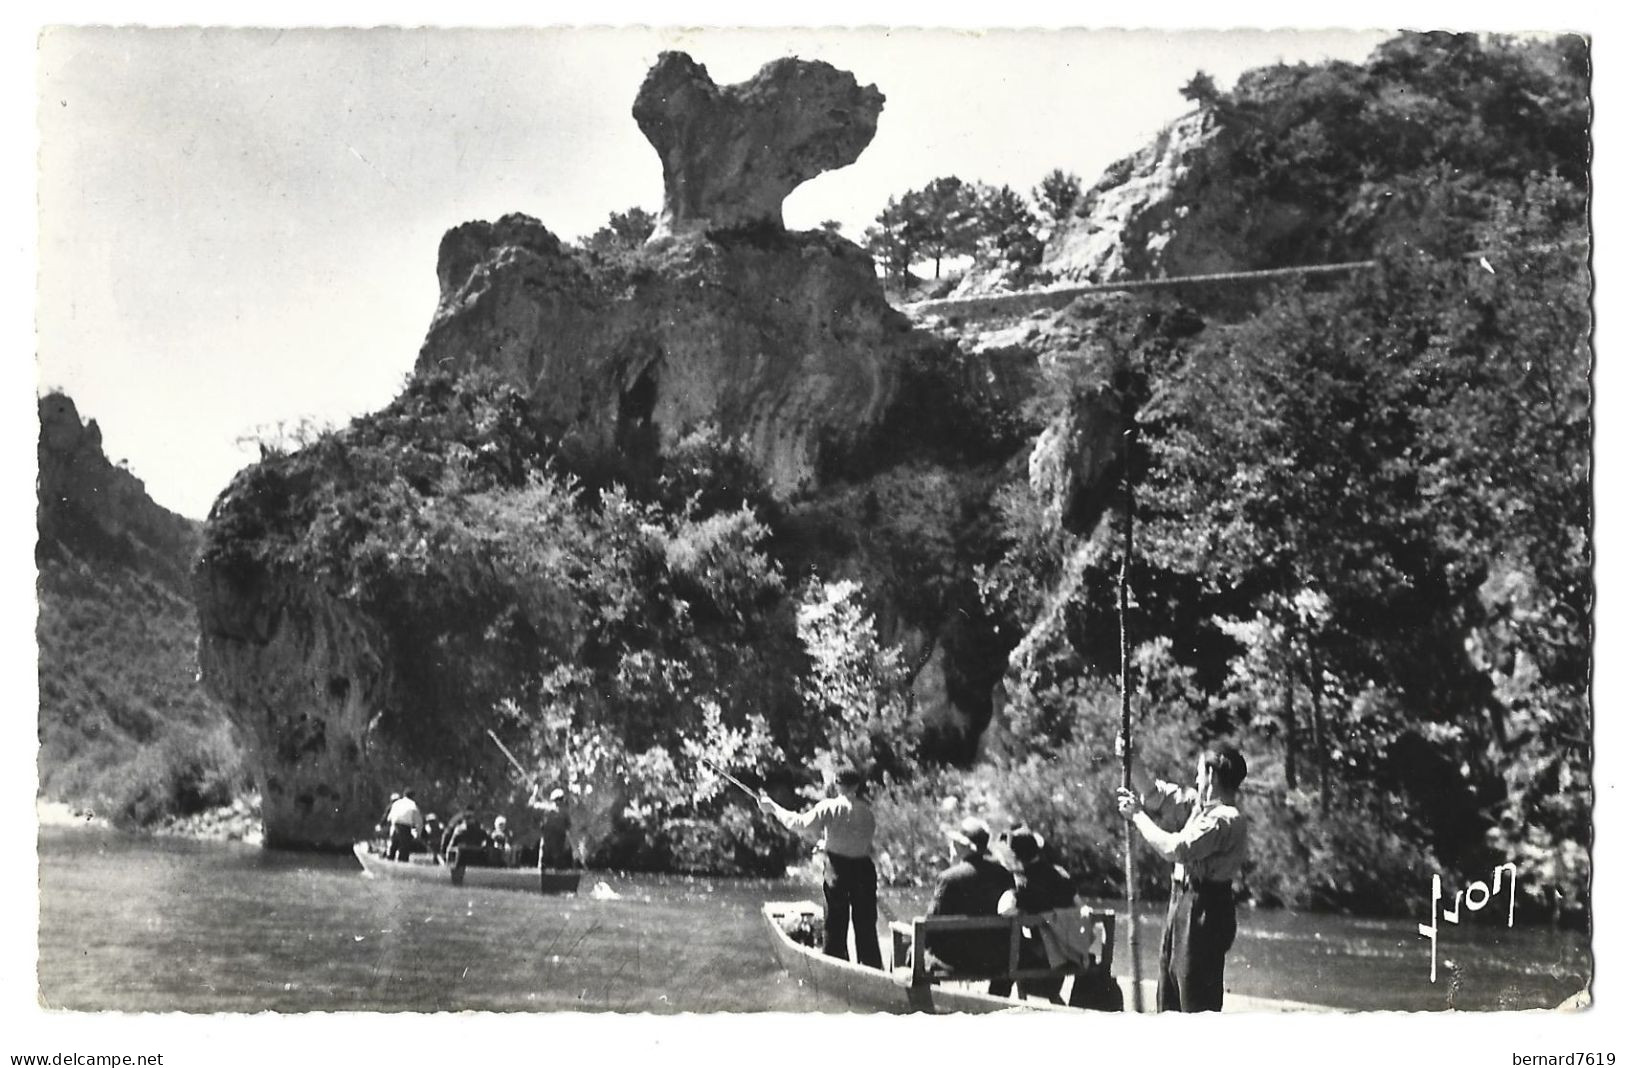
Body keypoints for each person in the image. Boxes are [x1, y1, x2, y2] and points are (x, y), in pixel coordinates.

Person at [1117, 743, 1250, 1013]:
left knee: (1194, 996)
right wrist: (1131, 757)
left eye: (1200, 772)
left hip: (1205, 909)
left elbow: (1176, 849)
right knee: (1170, 991)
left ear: (1212, 775)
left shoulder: (1225, 819)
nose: (1197, 778)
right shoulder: (1198, 806)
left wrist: (1137, 817)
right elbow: (1154, 794)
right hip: (1182, 902)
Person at [759, 766, 883, 969]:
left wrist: (773, 808)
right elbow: (864, 845)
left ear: (837, 784)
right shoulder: (868, 813)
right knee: (866, 926)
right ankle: (873, 969)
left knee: (835, 924)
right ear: (857, 786)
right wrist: (828, 843)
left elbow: (798, 823)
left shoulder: (830, 807)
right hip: (864, 871)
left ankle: (835, 968)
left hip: (838, 871)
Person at [988, 825, 1077, 1002]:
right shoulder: (1062, 874)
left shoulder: (1025, 882)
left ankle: (991, 1007)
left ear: (1015, 855)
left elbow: (1004, 911)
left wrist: (1012, 896)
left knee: (1005, 961)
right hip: (1070, 952)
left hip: (1045, 955)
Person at [925, 816, 1015, 976]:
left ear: (960, 846)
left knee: (912, 950)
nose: (951, 847)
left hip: (955, 961)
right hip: (996, 959)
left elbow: (931, 923)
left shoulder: (948, 878)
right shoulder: (1004, 874)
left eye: (953, 843)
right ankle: (998, 996)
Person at [528, 785, 573, 870]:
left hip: (554, 838)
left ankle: (544, 874)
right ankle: (548, 875)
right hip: (553, 838)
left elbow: (532, 805)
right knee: (553, 861)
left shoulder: (546, 808)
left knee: (551, 861)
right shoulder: (562, 810)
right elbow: (569, 826)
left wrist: (534, 795)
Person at [384, 789, 423, 862]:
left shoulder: (396, 803)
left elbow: (389, 818)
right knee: (404, 851)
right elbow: (419, 823)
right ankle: (402, 866)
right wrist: (418, 835)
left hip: (394, 826)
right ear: (413, 797)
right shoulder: (413, 805)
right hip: (405, 828)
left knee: (392, 848)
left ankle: (389, 861)